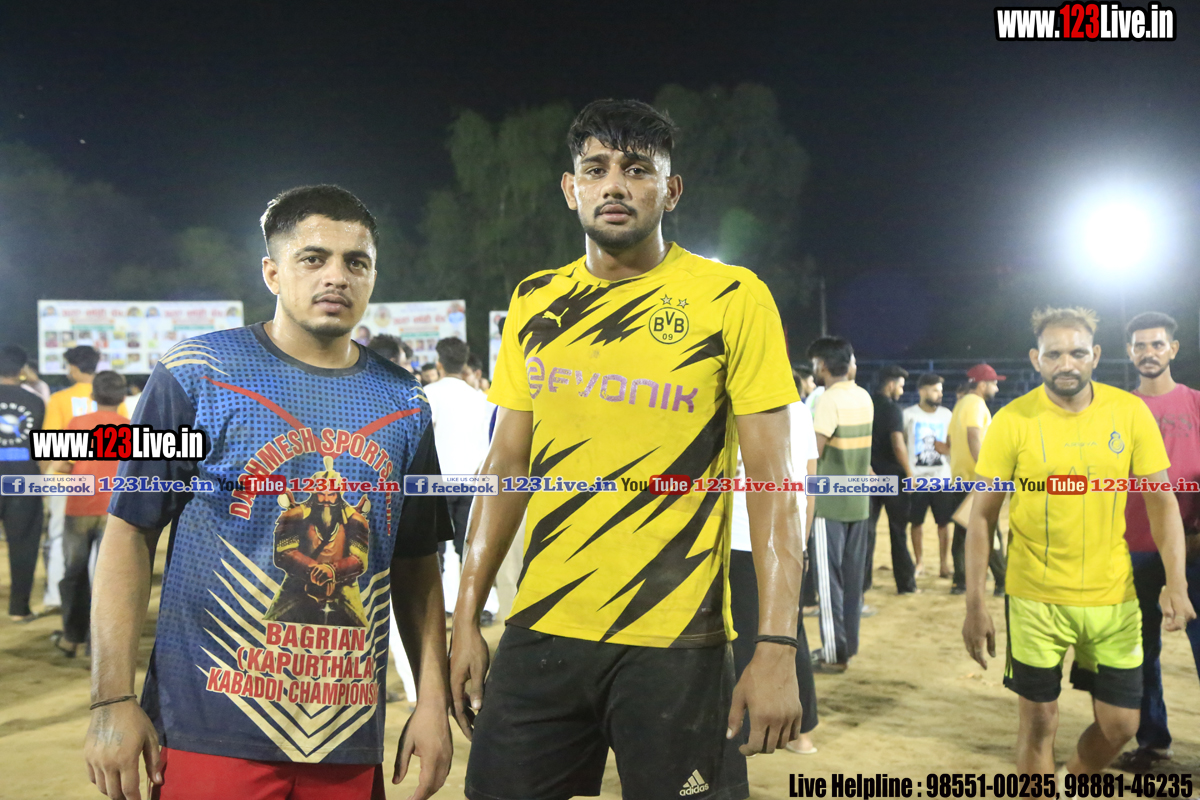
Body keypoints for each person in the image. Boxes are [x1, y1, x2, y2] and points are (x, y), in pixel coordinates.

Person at [451, 98, 803, 800]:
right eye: (596, 168)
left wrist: (777, 645)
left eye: (637, 169)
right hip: (543, 628)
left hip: (677, 640)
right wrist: (466, 618)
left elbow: (775, 483)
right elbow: (506, 466)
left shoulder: (732, 297)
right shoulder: (535, 301)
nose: (614, 184)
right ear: (570, 187)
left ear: (671, 190)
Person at [84, 185, 453, 800]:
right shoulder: (193, 374)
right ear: (273, 272)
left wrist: (431, 702)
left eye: (356, 262)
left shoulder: (406, 402)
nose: (336, 276)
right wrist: (110, 698)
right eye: (313, 258)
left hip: (344, 732)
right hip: (207, 724)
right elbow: (129, 530)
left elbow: (417, 562)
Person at [963, 306, 1195, 777]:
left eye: (1077, 353)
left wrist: (1177, 582)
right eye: (1053, 355)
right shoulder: (1012, 420)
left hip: (1114, 597)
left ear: (1096, 356)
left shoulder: (1128, 412)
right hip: (1034, 598)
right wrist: (975, 604)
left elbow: (1162, 502)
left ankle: (1069, 782)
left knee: (1121, 724)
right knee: (1038, 722)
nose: (1065, 364)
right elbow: (982, 517)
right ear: (1036, 359)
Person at [1112, 312, 1200, 773]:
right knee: (1140, 654)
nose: (1149, 352)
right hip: (1134, 550)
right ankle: (1152, 741)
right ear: (1129, 352)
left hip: (1196, 550)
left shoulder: (1196, 405)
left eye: (1157, 344)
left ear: (1173, 349)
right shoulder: (1116, 411)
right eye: (1140, 346)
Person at [726, 371, 820, 762]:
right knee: (788, 632)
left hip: (743, 539)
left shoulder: (734, 405)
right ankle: (803, 733)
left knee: (748, 634)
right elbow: (810, 482)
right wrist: (802, 541)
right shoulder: (800, 410)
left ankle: (753, 730)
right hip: (784, 537)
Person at [46, 371, 129, 657]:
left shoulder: (78, 424)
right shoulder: (131, 428)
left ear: (92, 396)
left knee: (74, 573)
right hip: (115, 511)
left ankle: (72, 638)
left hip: (80, 508)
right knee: (110, 577)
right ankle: (100, 644)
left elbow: (61, 465)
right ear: (122, 397)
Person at [807, 335, 874, 674]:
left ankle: (833, 653)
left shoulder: (828, 400)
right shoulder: (864, 396)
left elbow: (814, 452)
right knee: (851, 582)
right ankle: (849, 645)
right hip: (859, 503)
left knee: (828, 582)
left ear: (821, 365)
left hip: (830, 504)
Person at [423, 337, 492, 560]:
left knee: (434, 549)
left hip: (436, 481)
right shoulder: (479, 398)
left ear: (439, 364)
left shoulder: (429, 393)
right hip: (471, 479)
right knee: (468, 546)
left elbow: (424, 434)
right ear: (464, 365)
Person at [948, 364, 1007, 596]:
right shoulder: (975, 404)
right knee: (988, 531)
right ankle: (1002, 581)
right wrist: (986, 472)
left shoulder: (960, 404)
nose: (997, 388)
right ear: (982, 385)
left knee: (963, 533)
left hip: (961, 479)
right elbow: (973, 436)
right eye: (994, 383)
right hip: (976, 480)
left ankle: (960, 582)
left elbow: (950, 442)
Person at [0, 345, 46, 623]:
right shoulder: (36, 401)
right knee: (24, 545)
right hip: (23, 480)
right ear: (22, 369)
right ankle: (19, 608)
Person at [866, 364, 916, 594]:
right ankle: (905, 585)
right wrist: (909, 473)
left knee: (867, 533)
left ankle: (863, 584)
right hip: (893, 477)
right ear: (891, 384)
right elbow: (898, 444)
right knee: (898, 532)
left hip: (869, 476)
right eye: (900, 386)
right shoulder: (893, 410)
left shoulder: (866, 405)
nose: (902, 391)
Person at [903, 373, 955, 578]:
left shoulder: (947, 415)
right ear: (922, 391)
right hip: (917, 480)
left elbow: (952, 445)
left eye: (940, 390)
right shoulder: (908, 415)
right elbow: (902, 444)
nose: (939, 394)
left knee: (944, 523)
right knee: (916, 522)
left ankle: (944, 565)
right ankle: (919, 563)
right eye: (935, 390)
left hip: (942, 478)